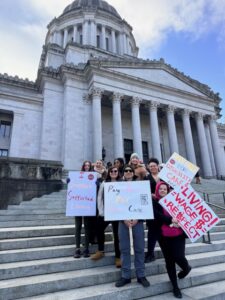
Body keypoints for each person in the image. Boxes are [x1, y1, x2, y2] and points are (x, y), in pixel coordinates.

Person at [153, 181, 191, 298]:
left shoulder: (175, 201)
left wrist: (180, 222)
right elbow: (157, 216)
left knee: (179, 256)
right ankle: (175, 287)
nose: (163, 190)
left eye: (165, 189)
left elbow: (185, 213)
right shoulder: (155, 202)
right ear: (157, 190)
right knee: (169, 262)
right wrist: (171, 220)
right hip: (163, 237)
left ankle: (186, 268)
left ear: (168, 190)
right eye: (160, 189)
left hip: (178, 234)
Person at [115, 165, 150, 288]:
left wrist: (138, 218)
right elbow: (114, 204)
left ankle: (141, 275)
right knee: (124, 249)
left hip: (138, 222)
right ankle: (126, 276)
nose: (128, 172)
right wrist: (123, 218)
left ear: (133, 172)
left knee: (139, 248)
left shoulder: (140, 185)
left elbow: (145, 202)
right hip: (122, 222)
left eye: (130, 170)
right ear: (123, 173)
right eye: (126, 170)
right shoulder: (117, 186)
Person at [91, 166, 121, 268]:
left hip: (117, 213)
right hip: (106, 212)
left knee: (117, 235)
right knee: (99, 229)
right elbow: (99, 196)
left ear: (118, 172)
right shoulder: (104, 183)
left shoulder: (122, 183)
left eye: (115, 171)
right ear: (109, 173)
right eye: (111, 171)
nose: (113, 172)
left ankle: (118, 256)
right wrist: (101, 210)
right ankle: (101, 250)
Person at [74, 160, 93, 258]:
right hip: (78, 204)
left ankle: (86, 249)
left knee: (87, 227)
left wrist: (96, 184)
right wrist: (70, 182)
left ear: (90, 167)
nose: (87, 167)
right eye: (85, 165)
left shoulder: (92, 177)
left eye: (88, 165)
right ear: (83, 166)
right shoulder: (78, 176)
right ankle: (77, 249)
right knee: (78, 227)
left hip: (87, 205)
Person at [145, 158, 161, 263]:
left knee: (162, 230)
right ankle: (150, 253)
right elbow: (144, 190)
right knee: (151, 231)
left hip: (163, 207)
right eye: (150, 166)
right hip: (151, 207)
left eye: (154, 165)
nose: (152, 168)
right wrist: (151, 194)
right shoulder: (147, 178)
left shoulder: (164, 177)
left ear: (158, 166)